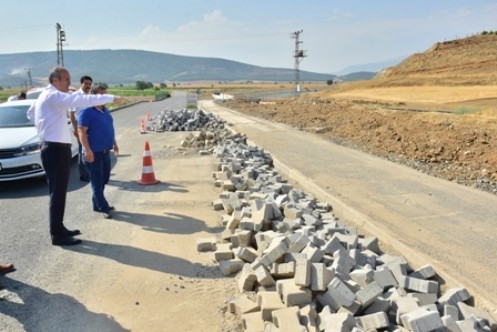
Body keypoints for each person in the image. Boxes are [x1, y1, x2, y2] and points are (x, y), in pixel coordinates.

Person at [27, 66, 124, 246]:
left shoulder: (45, 97)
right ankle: (57, 235)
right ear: (55, 80)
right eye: (66, 80)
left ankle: (59, 228)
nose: (69, 83)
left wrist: (45, 126)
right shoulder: (52, 96)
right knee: (57, 194)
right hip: (55, 148)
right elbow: (79, 99)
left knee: (59, 192)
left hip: (54, 147)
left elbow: (30, 113)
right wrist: (111, 98)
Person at [78, 84, 118, 219]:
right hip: (93, 154)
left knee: (104, 179)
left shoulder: (105, 111)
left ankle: (97, 204)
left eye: (105, 94)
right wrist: (87, 150)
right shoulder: (86, 111)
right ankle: (103, 207)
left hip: (106, 151)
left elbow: (109, 128)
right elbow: (81, 132)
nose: (104, 97)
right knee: (97, 181)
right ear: (94, 97)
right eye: (102, 95)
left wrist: (115, 143)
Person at [70, 76, 93, 182]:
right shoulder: (75, 96)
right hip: (81, 128)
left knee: (89, 149)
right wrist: (75, 130)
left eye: (89, 84)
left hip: (90, 128)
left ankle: (90, 171)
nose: (88, 86)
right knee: (82, 150)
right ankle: (84, 175)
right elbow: (72, 114)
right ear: (81, 84)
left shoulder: (89, 96)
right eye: (86, 83)